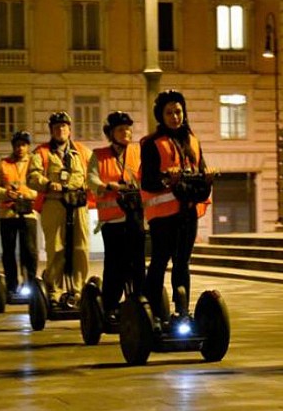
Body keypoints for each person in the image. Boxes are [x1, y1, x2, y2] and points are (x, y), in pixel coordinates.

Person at [140, 90, 212, 327]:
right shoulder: (151, 144)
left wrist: (207, 178)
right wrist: (166, 179)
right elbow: (147, 182)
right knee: (160, 262)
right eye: (169, 112)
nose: (175, 116)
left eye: (178, 111)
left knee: (183, 263)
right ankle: (153, 316)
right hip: (162, 217)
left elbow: (200, 173)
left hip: (187, 213)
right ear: (161, 116)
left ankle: (182, 313)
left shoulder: (193, 141)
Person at [28, 111, 91, 306]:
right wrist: (47, 184)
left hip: (78, 204)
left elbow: (94, 175)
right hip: (54, 204)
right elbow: (32, 177)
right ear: (51, 131)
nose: (60, 130)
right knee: (56, 249)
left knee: (81, 248)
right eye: (56, 127)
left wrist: (80, 185)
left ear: (70, 129)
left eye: (64, 126)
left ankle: (78, 291)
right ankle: (55, 291)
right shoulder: (41, 152)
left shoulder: (83, 151)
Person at [88, 111, 145, 324]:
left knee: (138, 263)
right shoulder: (99, 155)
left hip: (135, 217)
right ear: (111, 133)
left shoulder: (138, 152)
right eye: (121, 130)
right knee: (114, 265)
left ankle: (139, 300)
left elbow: (146, 174)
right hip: (112, 221)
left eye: (128, 129)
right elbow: (91, 178)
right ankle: (111, 306)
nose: (126, 133)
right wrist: (104, 186)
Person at [0, 130, 38, 299]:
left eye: (23, 145)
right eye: (17, 145)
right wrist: (5, 193)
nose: (20, 148)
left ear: (27, 147)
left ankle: (31, 285)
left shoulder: (34, 162)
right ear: (13, 146)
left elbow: (39, 186)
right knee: (8, 252)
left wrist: (28, 194)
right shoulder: (3, 163)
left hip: (28, 213)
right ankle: (12, 287)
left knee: (30, 251)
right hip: (7, 214)